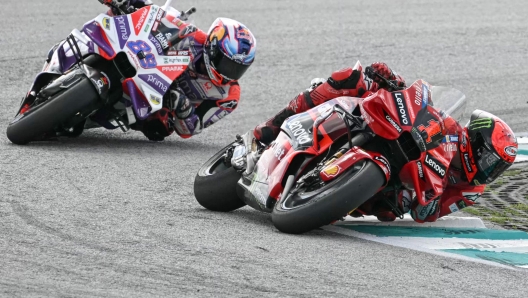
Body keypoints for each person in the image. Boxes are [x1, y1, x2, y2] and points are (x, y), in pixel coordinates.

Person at [253, 61, 518, 223]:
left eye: (497, 168)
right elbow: (418, 104)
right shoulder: (450, 127)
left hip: (399, 182)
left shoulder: (471, 190)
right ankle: (273, 125)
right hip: (387, 131)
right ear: (475, 141)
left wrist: (425, 201)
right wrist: (392, 80)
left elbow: (429, 214)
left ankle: (324, 197)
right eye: (489, 160)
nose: (488, 171)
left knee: (390, 210)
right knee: (354, 79)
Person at [104, 0, 257, 140]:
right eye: (227, 64)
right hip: (145, 65)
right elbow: (156, 15)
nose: (229, 73)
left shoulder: (229, 96)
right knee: (120, 17)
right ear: (213, 49)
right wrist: (132, 5)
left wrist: (184, 107)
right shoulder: (193, 36)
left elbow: (192, 129)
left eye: (237, 69)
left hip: (157, 105)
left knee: (159, 128)